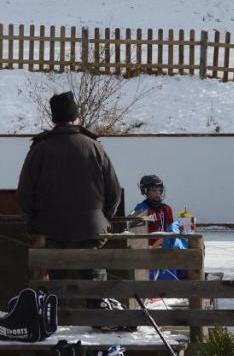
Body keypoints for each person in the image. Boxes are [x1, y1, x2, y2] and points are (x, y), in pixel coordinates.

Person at [17, 92, 123, 280]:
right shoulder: (94, 147)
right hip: (91, 229)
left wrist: (33, 224)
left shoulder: (39, 149)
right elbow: (113, 192)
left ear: (55, 119)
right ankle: (96, 305)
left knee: (55, 286)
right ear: (76, 118)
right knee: (94, 284)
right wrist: (103, 219)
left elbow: (25, 193)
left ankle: (54, 307)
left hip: (50, 230)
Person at [132, 175, 175, 246]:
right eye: (154, 190)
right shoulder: (140, 209)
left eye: (159, 190)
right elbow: (135, 233)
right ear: (145, 191)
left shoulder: (167, 209)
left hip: (166, 250)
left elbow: (172, 230)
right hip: (148, 251)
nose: (157, 193)